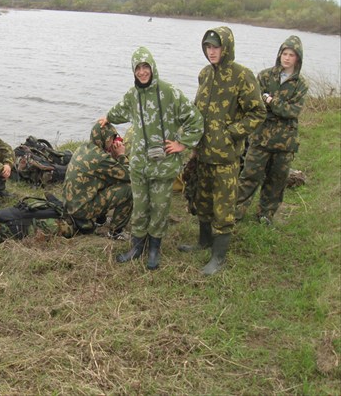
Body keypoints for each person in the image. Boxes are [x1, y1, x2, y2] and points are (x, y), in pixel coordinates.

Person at [99, 46, 204, 270]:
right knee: (140, 206)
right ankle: (136, 247)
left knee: (159, 207)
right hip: (139, 165)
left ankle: (154, 249)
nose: (142, 72)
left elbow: (195, 119)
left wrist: (182, 143)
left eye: (146, 67)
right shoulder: (133, 95)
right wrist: (107, 118)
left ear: (152, 67)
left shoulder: (169, 92)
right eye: (138, 68)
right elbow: (120, 110)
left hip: (163, 165)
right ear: (133, 71)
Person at [178, 26, 266, 275]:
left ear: (226, 47)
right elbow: (197, 111)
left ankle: (219, 256)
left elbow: (258, 112)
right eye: (207, 47)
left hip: (226, 156)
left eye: (215, 47)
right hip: (203, 153)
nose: (211, 51)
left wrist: (232, 132)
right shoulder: (204, 74)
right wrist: (189, 139)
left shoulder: (242, 76)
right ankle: (203, 241)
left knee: (223, 206)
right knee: (203, 201)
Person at [236, 36, 308, 225]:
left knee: (276, 181)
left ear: (297, 58)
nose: (287, 58)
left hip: (285, 143)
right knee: (249, 176)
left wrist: (271, 101)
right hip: (260, 138)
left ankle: (265, 215)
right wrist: (272, 105)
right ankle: (235, 212)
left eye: (291, 55)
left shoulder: (301, 84)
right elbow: (255, 105)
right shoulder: (265, 76)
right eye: (284, 53)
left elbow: (293, 111)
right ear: (279, 55)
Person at [62, 121, 133, 240]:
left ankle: (101, 220)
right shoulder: (101, 158)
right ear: (104, 138)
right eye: (112, 139)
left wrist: (112, 156)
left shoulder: (84, 148)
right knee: (130, 189)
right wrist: (121, 155)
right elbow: (130, 175)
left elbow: (107, 174)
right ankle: (116, 232)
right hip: (81, 210)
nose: (113, 142)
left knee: (109, 180)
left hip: (70, 205)